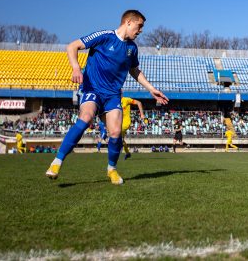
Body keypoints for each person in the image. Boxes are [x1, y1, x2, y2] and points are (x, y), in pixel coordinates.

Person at [45, 10, 168, 185]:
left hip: (112, 95)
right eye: (139, 26)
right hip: (92, 88)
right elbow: (72, 46)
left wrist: (151, 89)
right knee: (86, 118)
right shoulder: (104, 36)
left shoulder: (132, 48)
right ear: (128, 22)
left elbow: (134, 70)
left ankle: (112, 169)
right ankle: (57, 162)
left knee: (116, 132)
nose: (141, 30)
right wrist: (75, 68)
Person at [121, 96, 147, 160]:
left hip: (126, 123)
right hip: (119, 123)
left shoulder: (126, 100)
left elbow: (139, 103)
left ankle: (114, 156)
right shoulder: (114, 101)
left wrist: (142, 114)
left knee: (115, 135)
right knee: (120, 139)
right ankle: (127, 153)